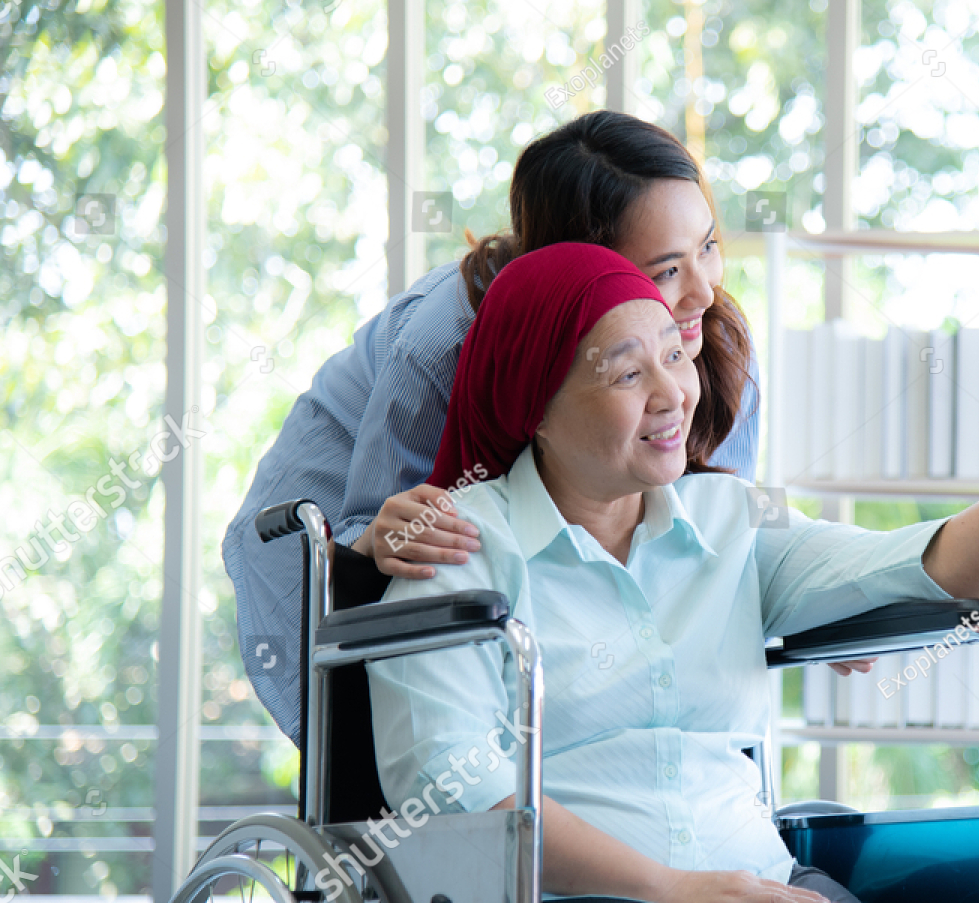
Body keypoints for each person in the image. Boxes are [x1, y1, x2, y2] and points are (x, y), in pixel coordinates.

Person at [366, 242, 979, 903]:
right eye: (627, 373)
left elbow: (922, 567)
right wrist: (672, 887)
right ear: (534, 404)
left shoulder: (728, 522)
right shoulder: (454, 549)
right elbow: (461, 792)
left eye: (675, 354)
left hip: (749, 875)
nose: (672, 394)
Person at [223, 111, 778, 746]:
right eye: (666, 271)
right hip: (324, 527)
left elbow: (724, 534)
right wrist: (373, 543)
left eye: (708, 246)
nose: (705, 291)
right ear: (575, 270)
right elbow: (367, 537)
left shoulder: (717, 339)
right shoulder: (442, 345)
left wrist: (810, 596)